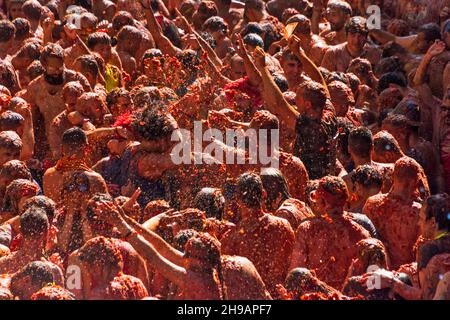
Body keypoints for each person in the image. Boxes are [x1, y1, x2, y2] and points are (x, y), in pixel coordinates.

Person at [220, 172, 295, 296]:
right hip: (280, 295)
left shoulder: (231, 238)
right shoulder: (283, 226)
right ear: (264, 194)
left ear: (238, 200)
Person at [290, 176, 370, 289]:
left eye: (316, 198)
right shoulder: (362, 234)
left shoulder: (307, 230)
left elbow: (296, 273)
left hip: (315, 296)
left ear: (323, 202)